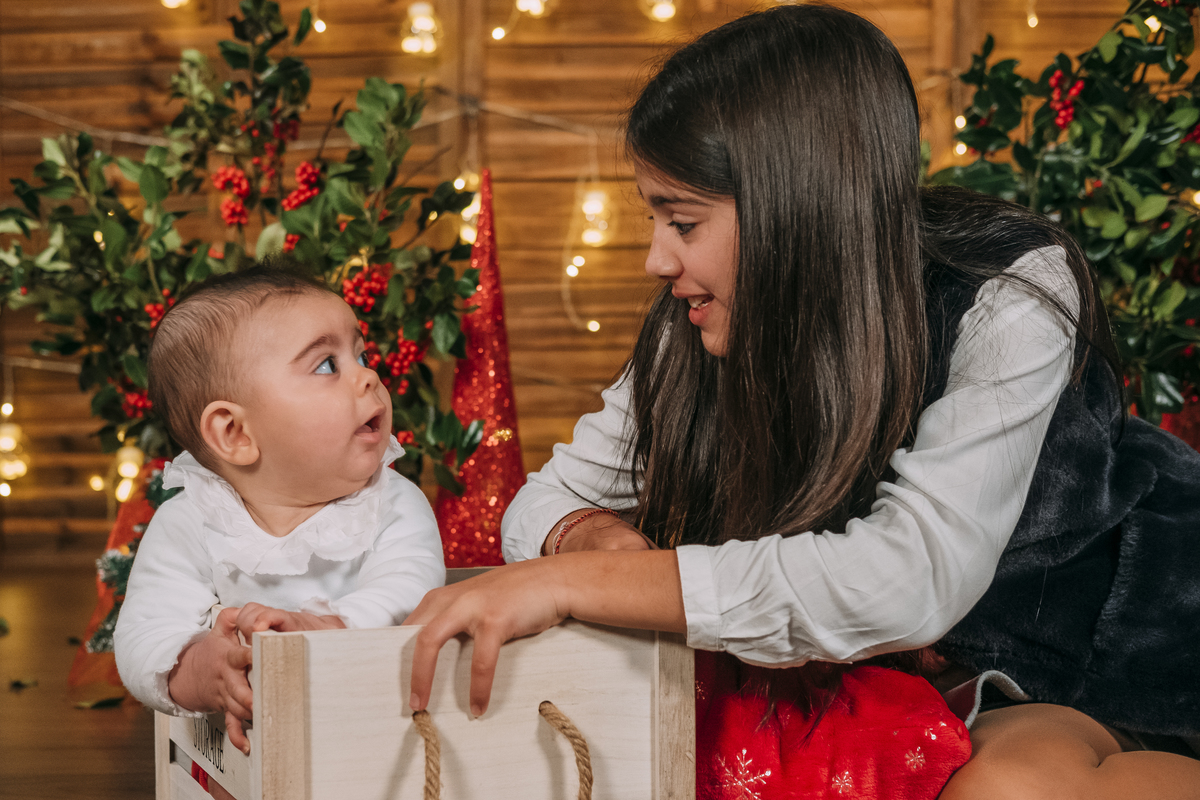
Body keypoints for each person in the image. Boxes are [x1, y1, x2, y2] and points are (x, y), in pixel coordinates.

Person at [404, 5, 1200, 799]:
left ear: (796, 206)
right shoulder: (696, 322)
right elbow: (543, 501)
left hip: (1084, 671)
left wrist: (570, 584)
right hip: (880, 703)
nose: (656, 258)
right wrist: (593, 544)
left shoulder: (1007, 290)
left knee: (1011, 788)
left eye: (682, 221)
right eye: (653, 217)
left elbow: (908, 581)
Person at [114, 265, 445, 763]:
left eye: (360, 355)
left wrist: (328, 628)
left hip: (371, 740)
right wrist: (205, 668)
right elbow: (144, 636)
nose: (369, 376)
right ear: (235, 433)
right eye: (327, 365)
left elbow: (410, 594)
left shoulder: (392, 504)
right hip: (240, 756)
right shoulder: (191, 522)